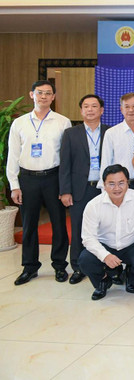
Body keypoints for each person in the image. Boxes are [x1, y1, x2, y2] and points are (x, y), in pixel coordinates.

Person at [7, 80, 72, 285]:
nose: (43, 96)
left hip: (53, 177)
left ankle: (59, 266)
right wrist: (14, 185)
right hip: (27, 179)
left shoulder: (63, 122)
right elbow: (12, 156)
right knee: (29, 225)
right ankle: (30, 267)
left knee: (59, 224)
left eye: (48, 93)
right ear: (31, 95)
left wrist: (65, 186)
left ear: (53, 97)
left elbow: (67, 157)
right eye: (39, 92)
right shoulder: (19, 123)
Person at [79, 165, 134, 300]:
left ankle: (130, 278)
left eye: (121, 183)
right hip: (105, 244)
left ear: (128, 182)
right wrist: (105, 256)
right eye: (111, 184)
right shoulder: (93, 205)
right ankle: (103, 281)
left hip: (132, 243)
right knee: (85, 260)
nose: (117, 188)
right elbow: (88, 238)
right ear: (104, 185)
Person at [59, 94, 109, 285]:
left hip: (104, 189)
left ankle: (106, 265)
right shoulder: (71, 134)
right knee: (79, 228)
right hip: (80, 189)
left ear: (101, 110)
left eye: (94, 106)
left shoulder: (110, 132)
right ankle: (78, 267)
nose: (90, 110)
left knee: (105, 228)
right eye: (86, 106)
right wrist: (65, 191)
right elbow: (65, 164)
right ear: (81, 111)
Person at [99, 92, 134, 193]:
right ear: (121, 109)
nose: (131, 110)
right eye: (127, 107)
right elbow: (106, 162)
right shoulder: (111, 133)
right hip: (120, 185)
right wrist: (104, 190)